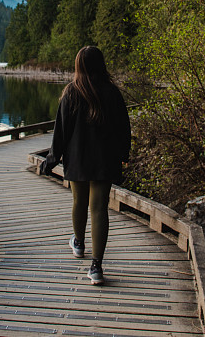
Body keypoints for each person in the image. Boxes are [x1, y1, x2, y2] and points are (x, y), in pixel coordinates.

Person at [40, 46, 131, 285]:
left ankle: (79, 243)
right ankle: (96, 267)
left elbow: (60, 132)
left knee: (79, 201)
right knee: (99, 208)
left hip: (78, 158)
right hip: (105, 160)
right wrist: (124, 154)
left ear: (79, 66)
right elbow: (124, 128)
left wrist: (51, 160)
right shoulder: (112, 93)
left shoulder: (71, 93)